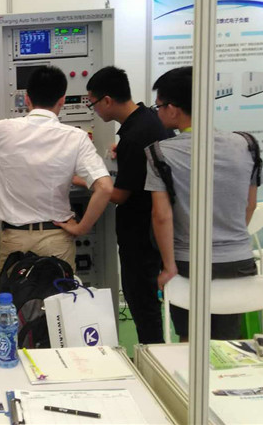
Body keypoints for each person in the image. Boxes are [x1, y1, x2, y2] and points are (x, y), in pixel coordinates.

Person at [144, 66, 262, 340]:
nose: (157, 112)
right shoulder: (247, 144)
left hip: (188, 262)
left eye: (158, 106)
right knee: (228, 343)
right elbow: (250, 205)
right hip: (238, 260)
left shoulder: (159, 153)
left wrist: (169, 267)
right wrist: (228, 239)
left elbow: (161, 216)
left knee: (191, 342)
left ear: (173, 109)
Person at [0, 65, 113, 271]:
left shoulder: (0, 129)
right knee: (57, 292)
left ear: (27, 99)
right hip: (57, 239)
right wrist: (81, 228)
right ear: (62, 100)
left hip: (15, 240)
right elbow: (105, 188)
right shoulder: (76, 137)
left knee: (14, 292)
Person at [86, 66, 172, 344]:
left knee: (142, 303)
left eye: (93, 104)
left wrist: (85, 180)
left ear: (107, 100)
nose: (93, 111)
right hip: (153, 233)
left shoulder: (134, 137)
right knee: (148, 303)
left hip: (140, 236)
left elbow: (120, 195)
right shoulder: (149, 119)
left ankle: (152, 354)